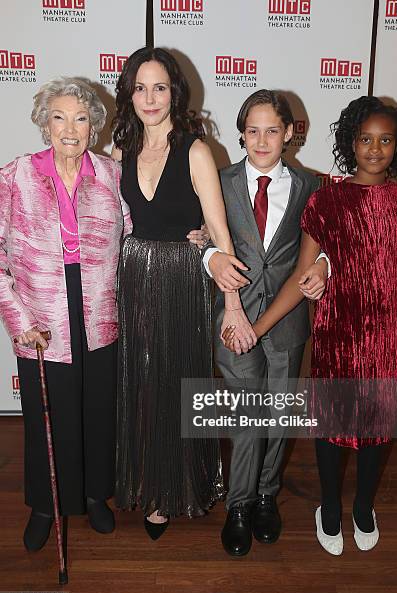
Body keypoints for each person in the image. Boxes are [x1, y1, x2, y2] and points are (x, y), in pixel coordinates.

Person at [224, 96, 397, 555]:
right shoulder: (326, 199)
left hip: (387, 332)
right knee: (331, 426)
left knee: (378, 425)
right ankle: (328, 507)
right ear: (350, 142)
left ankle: (364, 506)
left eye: (385, 140)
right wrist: (261, 324)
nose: (374, 149)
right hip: (336, 331)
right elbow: (301, 274)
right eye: (365, 139)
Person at [112, 47, 255, 539]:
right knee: (140, 383)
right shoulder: (120, 151)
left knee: (177, 382)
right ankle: (149, 487)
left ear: (176, 92)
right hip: (132, 276)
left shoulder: (196, 149)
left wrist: (232, 306)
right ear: (128, 94)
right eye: (140, 87)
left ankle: (179, 486)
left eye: (160, 87)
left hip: (181, 280)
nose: (150, 98)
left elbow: (219, 234)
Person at [0, 77, 132, 551]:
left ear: (94, 125)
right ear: (44, 122)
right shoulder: (14, 176)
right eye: (59, 116)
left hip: (98, 308)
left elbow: (134, 237)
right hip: (40, 313)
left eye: (81, 117)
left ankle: (97, 495)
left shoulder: (111, 174)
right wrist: (19, 320)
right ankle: (44, 504)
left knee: (99, 409)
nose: (70, 128)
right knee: (46, 415)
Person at [203, 89, 329, 556]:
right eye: (252, 130)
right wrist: (212, 257)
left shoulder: (310, 187)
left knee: (278, 415)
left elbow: (323, 246)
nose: (261, 139)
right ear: (241, 134)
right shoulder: (219, 181)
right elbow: (201, 239)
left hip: (288, 321)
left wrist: (324, 267)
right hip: (233, 319)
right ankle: (237, 506)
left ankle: (264, 496)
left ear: (290, 133)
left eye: (272, 130)